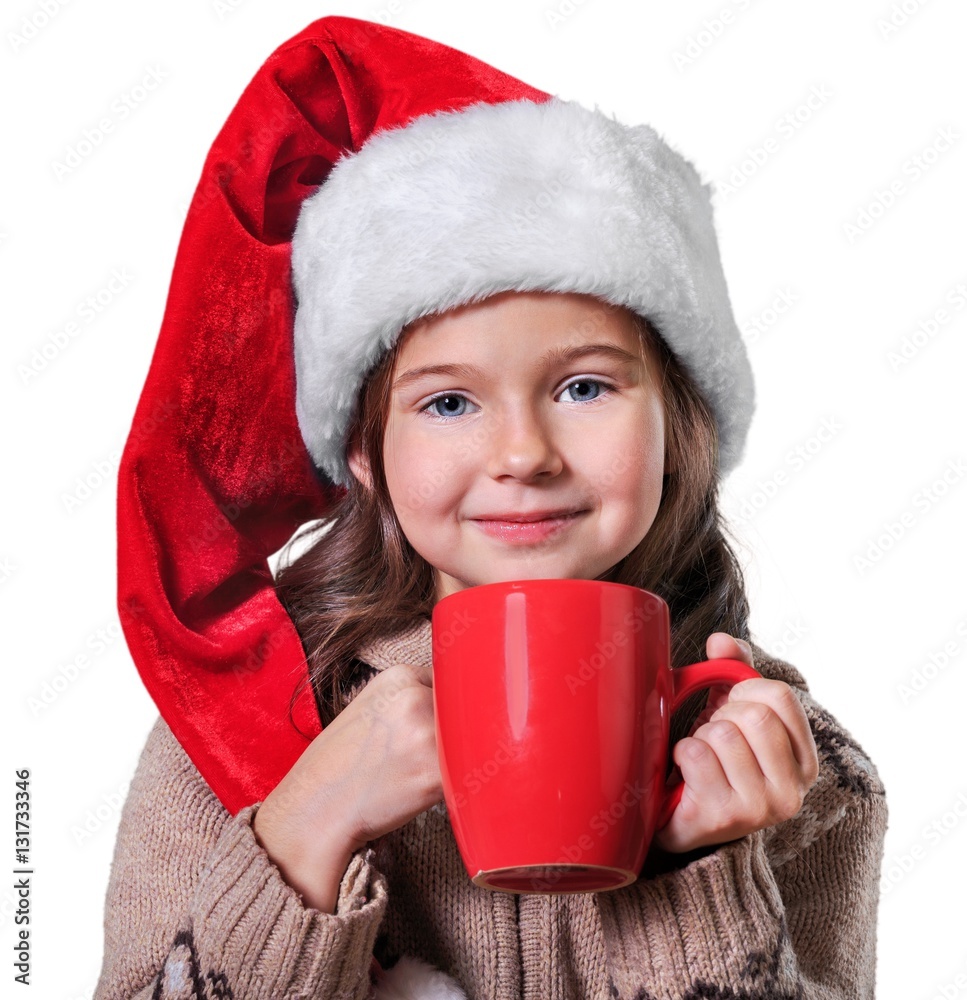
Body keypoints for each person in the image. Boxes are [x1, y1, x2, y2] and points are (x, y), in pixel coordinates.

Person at [97, 15, 887, 1000]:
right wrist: (301, 835)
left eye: (585, 387)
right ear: (363, 452)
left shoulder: (796, 765)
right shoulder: (230, 733)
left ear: (679, 421)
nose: (521, 454)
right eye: (449, 402)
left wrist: (697, 880)